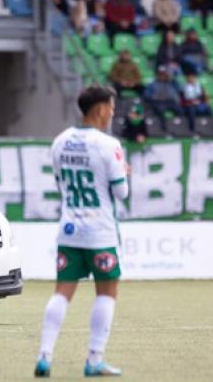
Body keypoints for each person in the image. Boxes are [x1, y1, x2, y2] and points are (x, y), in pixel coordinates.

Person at [34, 85, 128, 378]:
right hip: (99, 231)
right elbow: (121, 192)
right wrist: (125, 173)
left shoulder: (59, 141)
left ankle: (45, 356)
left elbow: (60, 184)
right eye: (111, 107)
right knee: (107, 291)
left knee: (62, 291)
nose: (112, 113)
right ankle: (94, 360)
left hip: (70, 228)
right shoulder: (108, 144)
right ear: (100, 109)